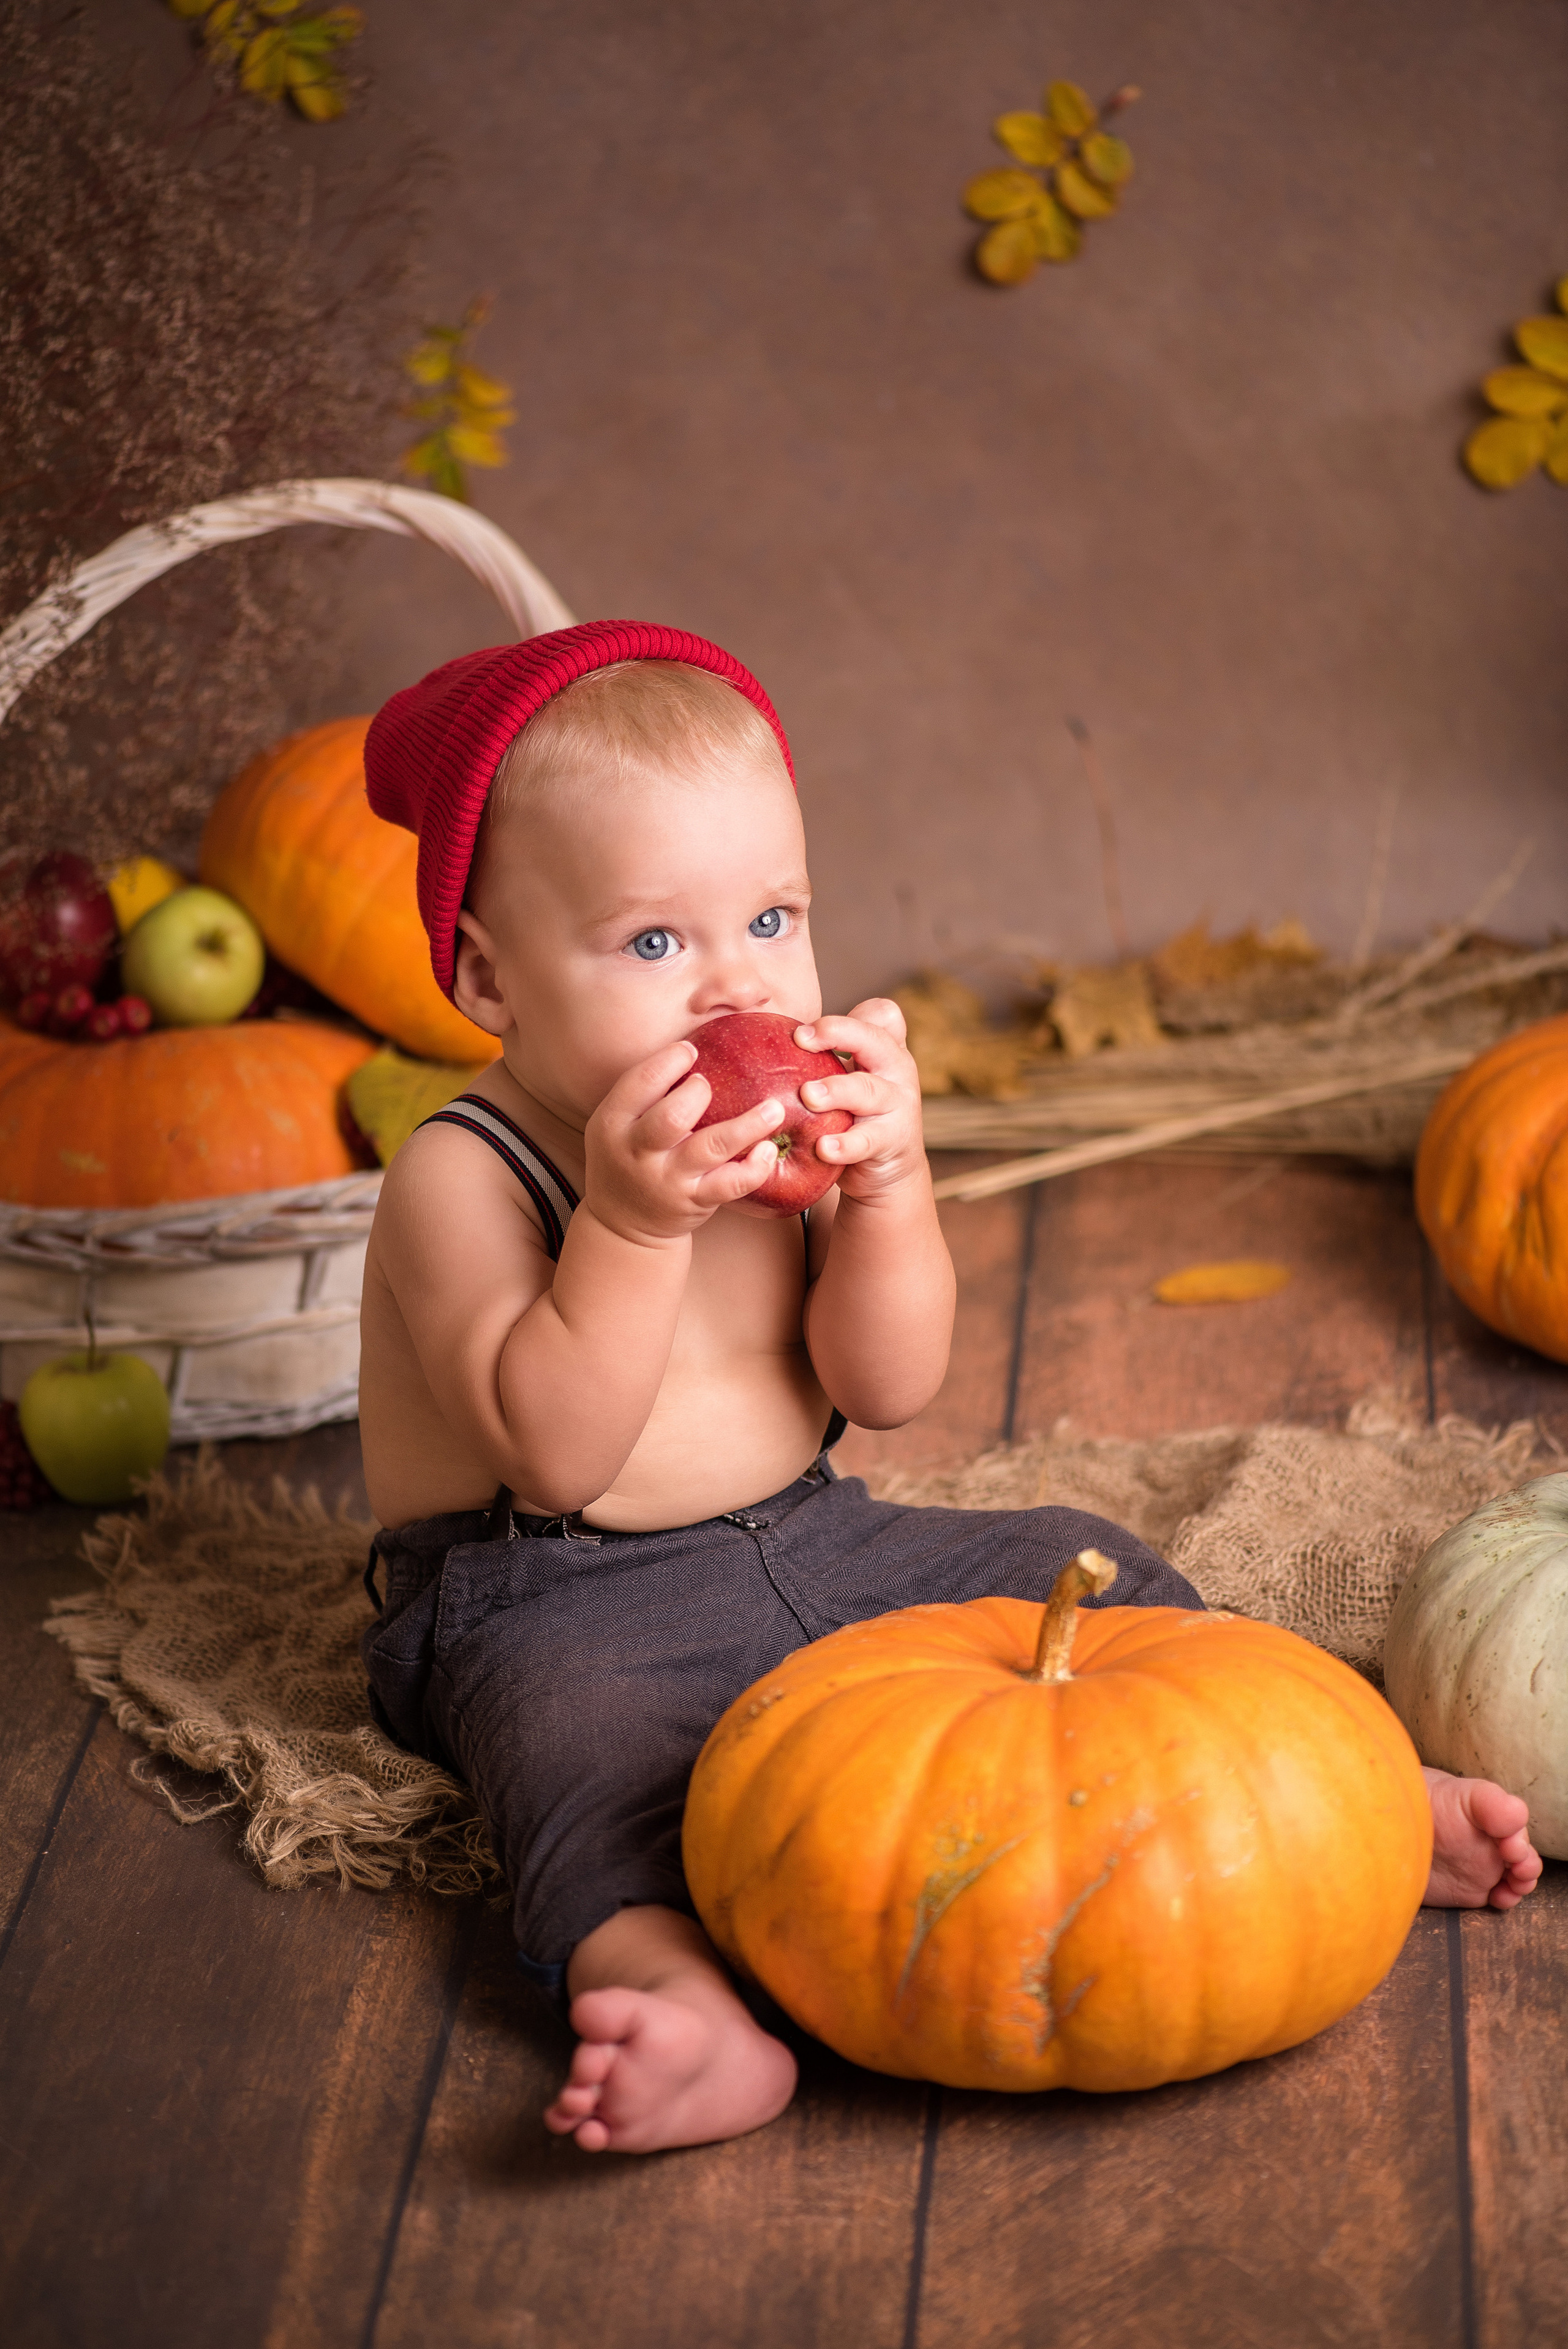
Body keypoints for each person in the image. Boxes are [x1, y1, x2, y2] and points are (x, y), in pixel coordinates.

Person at [356, 622, 1542, 2157]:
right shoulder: (461, 1175)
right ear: (487, 976)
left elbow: (888, 1385)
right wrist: (633, 1227)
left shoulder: (773, 1132)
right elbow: (557, 1456)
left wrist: (891, 1189)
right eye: (652, 945)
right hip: (554, 1594)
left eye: (771, 919)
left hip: (815, 1529)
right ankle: (670, 1998)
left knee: (1068, 1561)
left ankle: (1349, 1804)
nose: (735, 988)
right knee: (581, 1755)